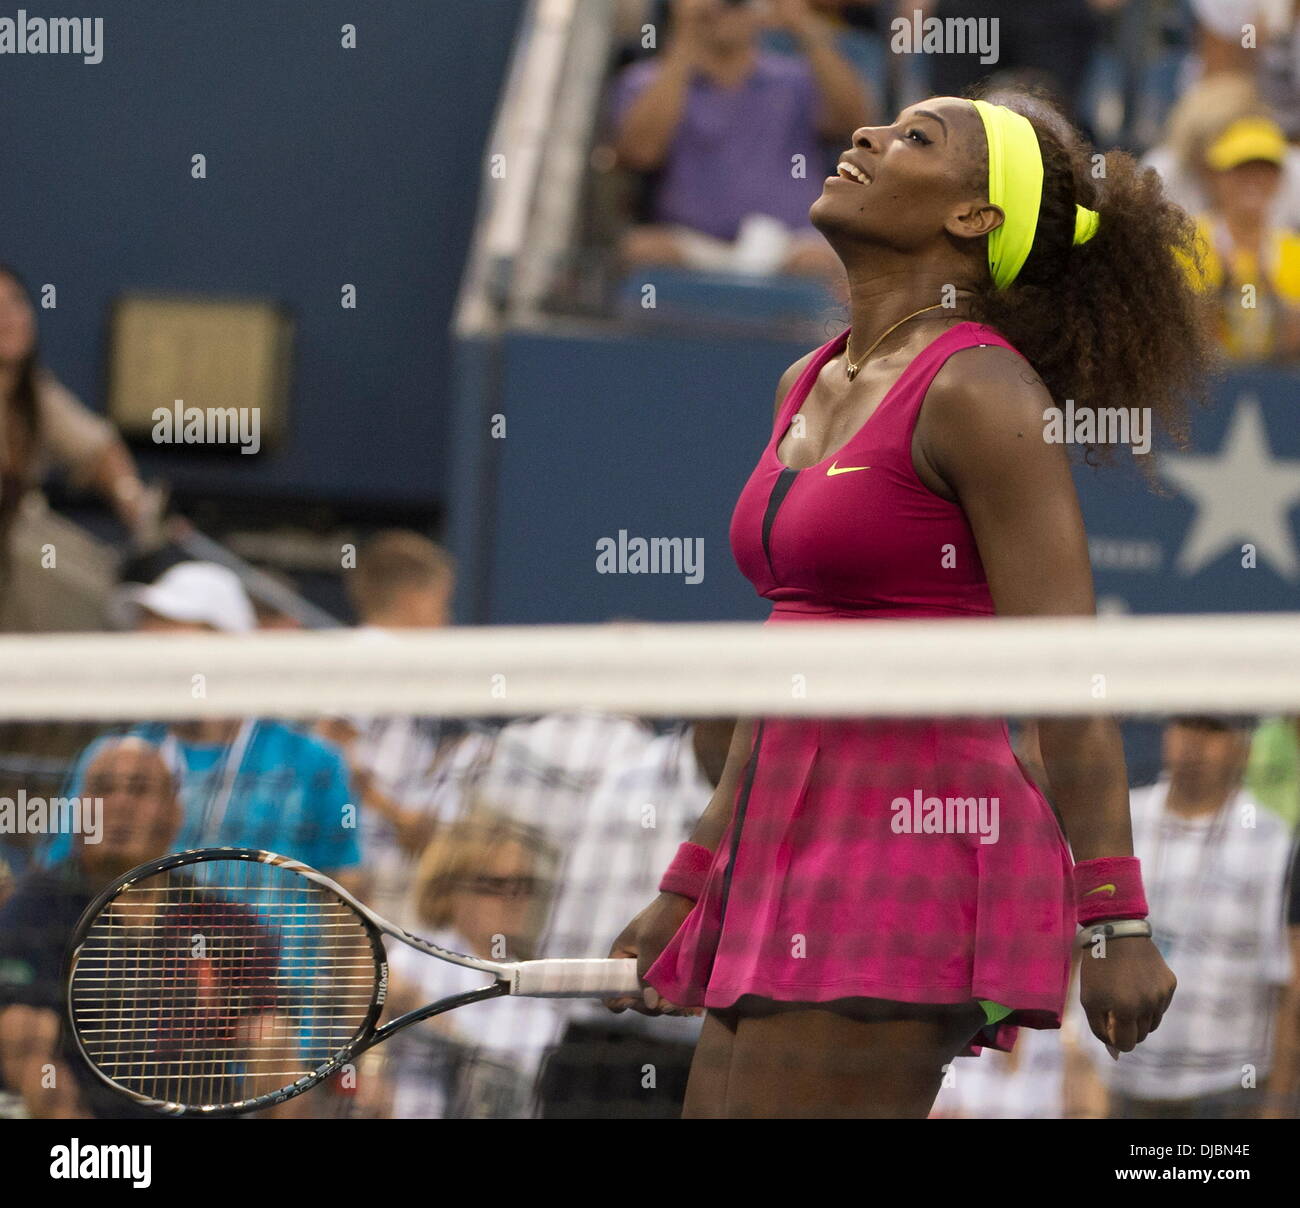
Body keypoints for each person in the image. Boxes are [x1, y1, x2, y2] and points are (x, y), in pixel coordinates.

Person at [606, 86, 1209, 1117]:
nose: (864, 135)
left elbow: (1066, 672)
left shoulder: (981, 392)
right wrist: (688, 877)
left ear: (972, 218)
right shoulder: (805, 379)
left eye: (915, 137)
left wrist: (1113, 914)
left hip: (912, 844)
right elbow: (791, 657)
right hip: (777, 840)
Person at [0, 738, 284, 1118]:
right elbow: (28, 1054)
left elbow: (273, 1052)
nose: (119, 805)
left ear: (173, 813)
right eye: (103, 789)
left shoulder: (225, 923)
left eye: (139, 790)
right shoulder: (36, 910)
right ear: (80, 809)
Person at [48, 562, 362, 888]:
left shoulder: (314, 761)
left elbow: (345, 894)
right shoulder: (108, 759)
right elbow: (57, 878)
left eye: (170, 648)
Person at [1097, 717, 1292, 1118]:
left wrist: (1277, 1104)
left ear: (1243, 747)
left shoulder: (1273, 839)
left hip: (1228, 1088)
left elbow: (1289, 986)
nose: (1194, 744)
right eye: (1185, 725)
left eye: (1213, 730)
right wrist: (1077, 1058)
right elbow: (1084, 949)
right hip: (1121, 1081)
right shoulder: (1119, 820)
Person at [611, 0, 870, 280]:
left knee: (824, 261)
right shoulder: (646, 80)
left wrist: (802, 26)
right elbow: (641, 153)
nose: (728, 8)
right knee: (641, 250)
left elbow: (855, 126)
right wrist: (686, 36)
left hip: (789, 243)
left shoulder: (796, 79)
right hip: (688, 240)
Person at [0, 265, 158, 629]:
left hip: (22, 540)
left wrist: (133, 501)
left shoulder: (36, 394)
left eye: (16, 303)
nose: (8, 318)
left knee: (106, 588)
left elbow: (98, 447)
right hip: (12, 559)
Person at [376, 813, 562, 1119]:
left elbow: (517, 1082)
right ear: (452, 890)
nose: (512, 897)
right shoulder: (416, 957)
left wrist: (429, 1015)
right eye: (495, 884)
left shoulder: (536, 986)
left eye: (523, 884)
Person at [1186, 114, 1300, 361]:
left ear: (1278, 179)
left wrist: (1272, 293)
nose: (1254, 180)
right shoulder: (1187, 244)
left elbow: (1294, 346)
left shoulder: (1295, 252)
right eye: (1241, 169)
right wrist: (1222, 288)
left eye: (1265, 170)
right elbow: (1180, 337)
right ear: (1218, 176)